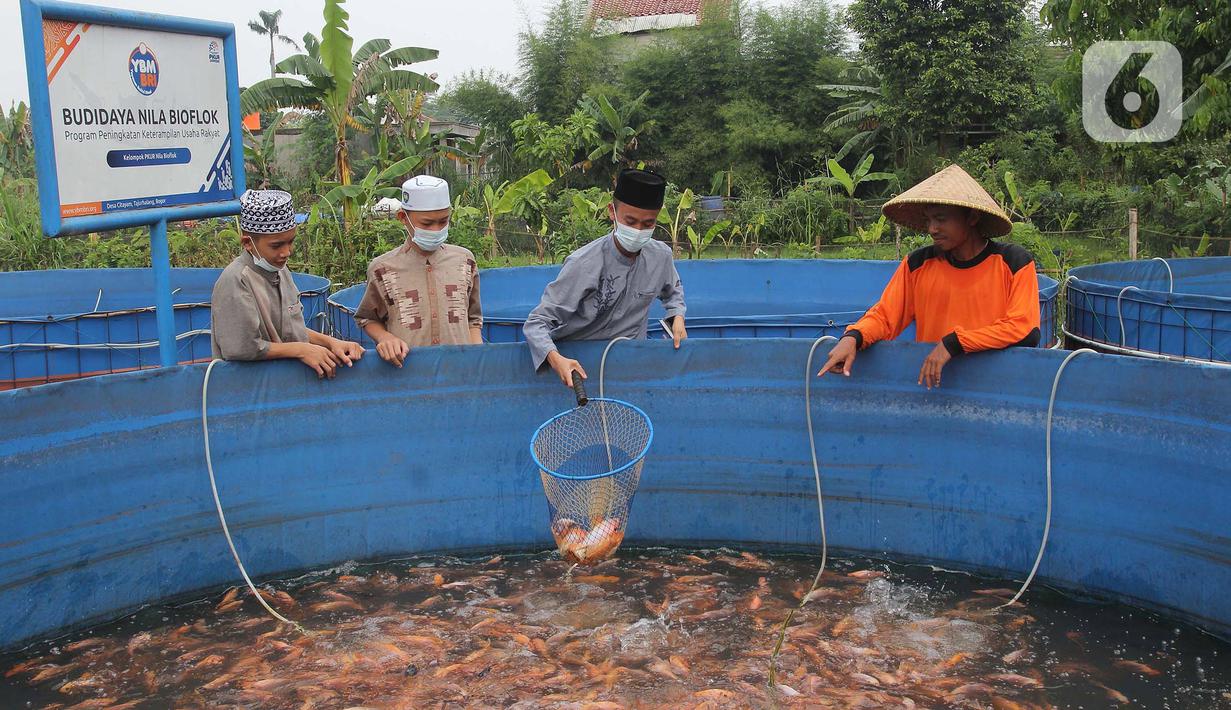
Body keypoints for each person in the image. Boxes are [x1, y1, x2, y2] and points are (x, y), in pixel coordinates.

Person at [819, 164, 1040, 389]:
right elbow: (886, 316)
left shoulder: (1013, 262)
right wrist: (853, 337)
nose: (932, 229)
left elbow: (1025, 330)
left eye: (941, 219)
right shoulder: (918, 264)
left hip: (999, 388)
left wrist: (954, 343)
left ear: (972, 217)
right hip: (936, 387)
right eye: (928, 220)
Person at [523, 168, 687, 387]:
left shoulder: (661, 256)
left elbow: (673, 292)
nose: (638, 230)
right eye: (630, 221)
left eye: (648, 224)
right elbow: (536, 323)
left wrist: (677, 316)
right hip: (580, 369)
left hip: (630, 369)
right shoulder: (583, 263)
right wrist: (556, 359)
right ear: (612, 212)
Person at [211, 189, 363, 378]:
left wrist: (331, 343)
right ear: (247, 243)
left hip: (286, 385)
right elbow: (243, 348)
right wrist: (302, 350)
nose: (286, 252)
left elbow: (292, 331)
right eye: (276, 245)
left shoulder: (280, 270)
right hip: (251, 391)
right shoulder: (236, 280)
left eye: (290, 242)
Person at [354, 175, 483, 368]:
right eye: (427, 223)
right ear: (403, 218)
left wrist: (478, 359)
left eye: (443, 221)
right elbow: (367, 318)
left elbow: (473, 319)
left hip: (460, 372)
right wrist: (385, 338)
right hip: (408, 374)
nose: (436, 229)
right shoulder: (383, 269)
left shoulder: (465, 262)